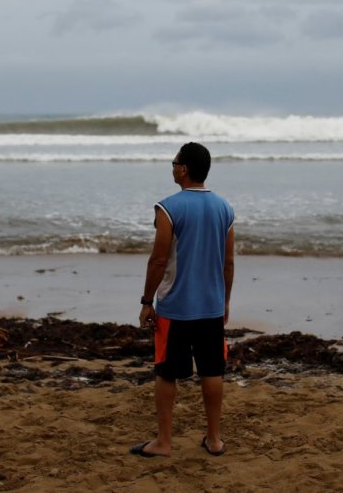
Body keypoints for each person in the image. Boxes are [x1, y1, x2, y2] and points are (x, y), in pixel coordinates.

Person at [130, 142, 235, 458]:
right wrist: (225, 301)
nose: (172, 167)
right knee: (212, 371)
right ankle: (214, 439)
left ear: (183, 169)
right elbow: (228, 262)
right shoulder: (224, 208)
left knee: (166, 373)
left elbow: (158, 260)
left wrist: (147, 301)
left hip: (175, 308)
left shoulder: (168, 208)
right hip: (211, 306)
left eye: (174, 162)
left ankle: (164, 441)